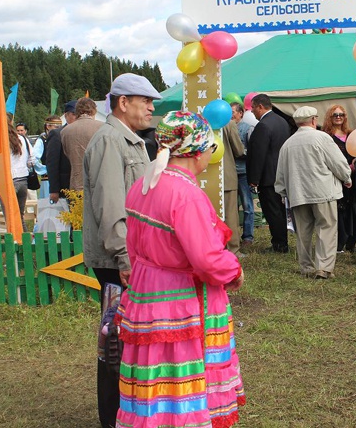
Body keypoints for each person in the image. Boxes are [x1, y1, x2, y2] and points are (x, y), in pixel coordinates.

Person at [115, 110, 245, 427]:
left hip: (147, 294)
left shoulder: (144, 185)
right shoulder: (186, 194)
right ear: (197, 150)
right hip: (182, 301)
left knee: (157, 374)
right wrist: (233, 271)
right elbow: (205, 258)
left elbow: (134, 246)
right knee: (183, 372)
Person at [82, 74, 160, 428]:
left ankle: (129, 412)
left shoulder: (132, 141)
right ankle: (113, 418)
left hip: (130, 257)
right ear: (122, 102)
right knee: (114, 343)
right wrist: (124, 258)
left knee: (127, 340)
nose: (151, 107)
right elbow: (111, 207)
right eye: (145, 100)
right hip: (118, 262)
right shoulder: (110, 141)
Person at [275, 106, 352, 279]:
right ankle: (323, 268)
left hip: (297, 193)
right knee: (326, 228)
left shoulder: (288, 143)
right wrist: (346, 178)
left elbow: (280, 173)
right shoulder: (322, 138)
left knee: (303, 232)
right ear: (313, 120)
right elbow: (337, 163)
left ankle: (307, 267)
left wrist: (282, 192)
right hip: (322, 191)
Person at [247, 93, 291, 253]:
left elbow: (259, 154)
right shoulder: (283, 122)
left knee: (272, 212)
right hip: (280, 174)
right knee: (279, 211)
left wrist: (254, 179)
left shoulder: (263, 125)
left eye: (252, 107)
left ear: (260, 106)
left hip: (267, 177)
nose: (251, 111)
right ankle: (281, 242)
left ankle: (279, 244)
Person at [321, 104, 356, 253]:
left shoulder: (351, 134)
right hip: (335, 178)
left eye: (341, 115)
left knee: (353, 209)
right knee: (338, 210)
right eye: (335, 115)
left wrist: (355, 164)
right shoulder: (326, 135)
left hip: (352, 177)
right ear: (330, 117)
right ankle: (338, 243)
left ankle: (351, 241)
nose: (338, 117)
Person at [61, 97, 103, 191]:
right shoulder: (103, 127)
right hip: (98, 183)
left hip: (76, 183)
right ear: (94, 111)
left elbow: (67, 153)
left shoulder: (65, 131)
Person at [231, 102, 254, 245]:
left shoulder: (247, 129)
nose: (231, 114)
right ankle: (232, 236)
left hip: (244, 172)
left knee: (247, 206)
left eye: (233, 111)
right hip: (230, 173)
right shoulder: (224, 128)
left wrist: (240, 152)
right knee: (231, 207)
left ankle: (248, 236)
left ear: (241, 113)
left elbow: (252, 152)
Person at [222, 119, 246, 257]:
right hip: (227, 175)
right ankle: (233, 249)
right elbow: (239, 150)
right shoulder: (228, 123)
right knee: (230, 213)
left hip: (202, 176)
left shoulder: (197, 117)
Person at [46, 100, 77, 203]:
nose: (77, 116)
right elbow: (52, 163)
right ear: (66, 115)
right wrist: (54, 190)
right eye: (74, 114)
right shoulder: (57, 134)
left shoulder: (85, 132)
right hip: (65, 186)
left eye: (79, 114)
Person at [32, 115, 62, 200]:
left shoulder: (64, 135)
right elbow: (34, 158)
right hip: (49, 179)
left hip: (63, 177)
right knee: (48, 205)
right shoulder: (42, 139)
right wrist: (45, 169)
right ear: (48, 126)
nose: (59, 128)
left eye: (60, 126)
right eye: (56, 126)